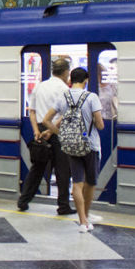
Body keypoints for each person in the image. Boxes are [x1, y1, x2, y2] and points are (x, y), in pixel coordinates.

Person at [41, 67, 104, 232]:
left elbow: (46, 120)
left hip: (70, 145)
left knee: (76, 183)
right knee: (90, 183)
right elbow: (100, 125)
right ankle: (87, 216)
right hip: (90, 146)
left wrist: (60, 134)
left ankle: (82, 221)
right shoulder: (92, 97)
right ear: (86, 80)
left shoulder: (63, 97)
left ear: (71, 80)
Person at [18, 58, 75, 215]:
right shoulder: (65, 89)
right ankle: (63, 206)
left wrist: (36, 131)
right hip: (56, 131)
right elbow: (65, 115)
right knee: (63, 170)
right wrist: (50, 131)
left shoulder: (40, 86)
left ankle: (23, 201)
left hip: (40, 130)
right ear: (65, 72)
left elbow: (32, 110)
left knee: (37, 168)